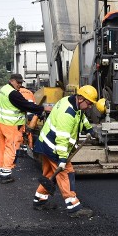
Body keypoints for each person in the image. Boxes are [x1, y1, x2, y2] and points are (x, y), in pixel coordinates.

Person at [32, 85, 106, 218]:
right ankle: (74, 207)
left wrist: (89, 129)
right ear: (81, 99)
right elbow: (61, 139)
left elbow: (81, 117)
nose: (89, 107)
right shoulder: (67, 114)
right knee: (67, 173)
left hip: (46, 144)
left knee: (50, 174)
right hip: (53, 147)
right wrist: (61, 160)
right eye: (89, 103)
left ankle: (39, 200)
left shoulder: (72, 102)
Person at [0, 73, 52, 183]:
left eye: (21, 83)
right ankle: (5, 175)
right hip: (11, 124)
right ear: (11, 80)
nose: (20, 84)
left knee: (2, 148)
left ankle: (1, 169)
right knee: (11, 148)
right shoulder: (13, 94)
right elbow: (26, 105)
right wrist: (42, 109)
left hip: (1, 123)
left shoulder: (4, 89)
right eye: (18, 82)